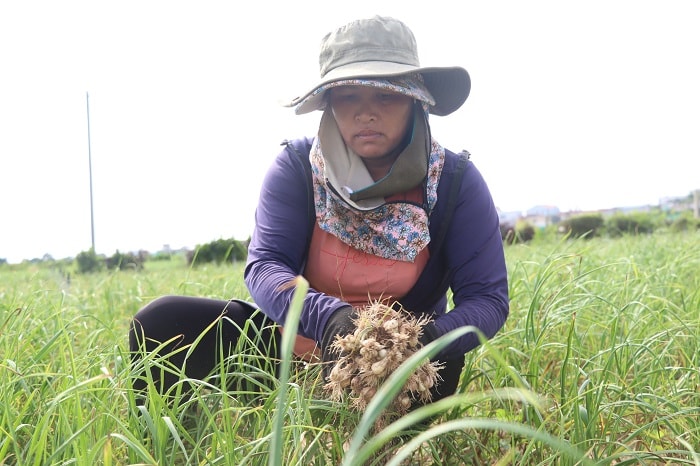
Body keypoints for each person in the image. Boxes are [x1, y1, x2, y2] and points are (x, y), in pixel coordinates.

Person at [129, 15, 509, 408]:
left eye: (386, 95)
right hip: (294, 349)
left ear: (416, 99)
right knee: (162, 321)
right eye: (348, 97)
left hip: (400, 365)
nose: (366, 113)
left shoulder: (453, 182)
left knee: (446, 354)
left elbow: (487, 299)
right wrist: (330, 320)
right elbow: (265, 266)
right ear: (329, 104)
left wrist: (422, 342)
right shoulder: (297, 167)